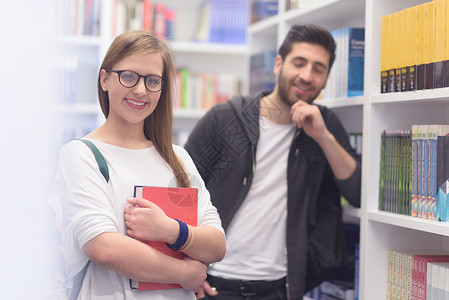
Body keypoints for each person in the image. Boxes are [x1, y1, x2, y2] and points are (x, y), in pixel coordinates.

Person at [184, 24, 361, 299]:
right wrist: (184, 268)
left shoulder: (325, 127)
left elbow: (358, 192)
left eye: (318, 68)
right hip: (214, 284)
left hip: (279, 289)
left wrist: (323, 137)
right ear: (278, 64)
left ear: (326, 79)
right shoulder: (225, 118)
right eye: (299, 63)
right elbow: (180, 190)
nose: (306, 75)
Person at [58, 30, 226, 300]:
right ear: (104, 79)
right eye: (128, 76)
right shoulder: (81, 154)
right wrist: (183, 273)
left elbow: (216, 245)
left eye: (152, 81)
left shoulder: (178, 158)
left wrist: (170, 230)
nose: (140, 90)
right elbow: (103, 247)